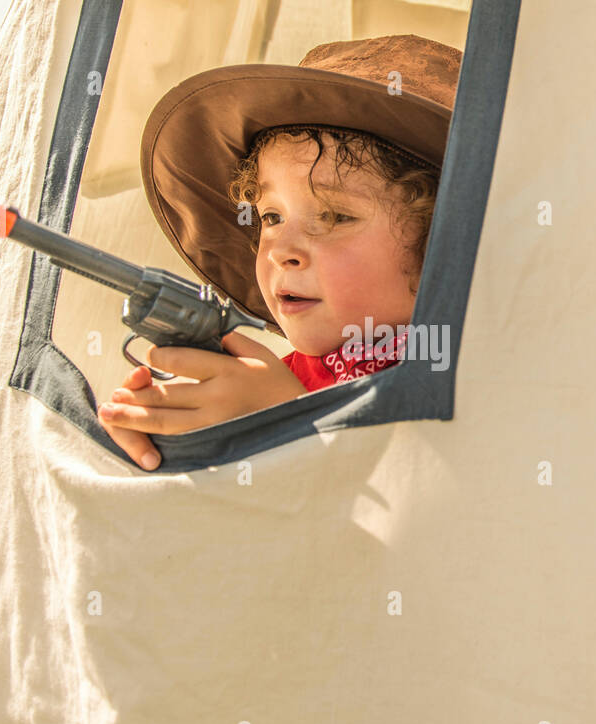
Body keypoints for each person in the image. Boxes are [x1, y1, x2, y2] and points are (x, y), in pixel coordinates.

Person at [99, 34, 461, 471]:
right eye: (270, 217)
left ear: (446, 242)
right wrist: (165, 439)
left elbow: (432, 513)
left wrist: (291, 424)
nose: (280, 251)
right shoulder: (270, 379)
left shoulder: (480, 379)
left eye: (332, 216)